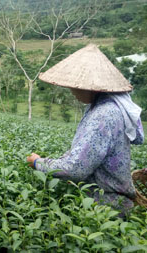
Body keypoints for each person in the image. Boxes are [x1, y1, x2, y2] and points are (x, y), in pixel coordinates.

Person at [26, 44, 144, 216]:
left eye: (75, 86)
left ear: (91, 87)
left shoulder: (104, 115)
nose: (72, 90)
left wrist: (38, 163)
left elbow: (76, 168)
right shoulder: (103, 105)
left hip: (106, 208)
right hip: (109, 201)